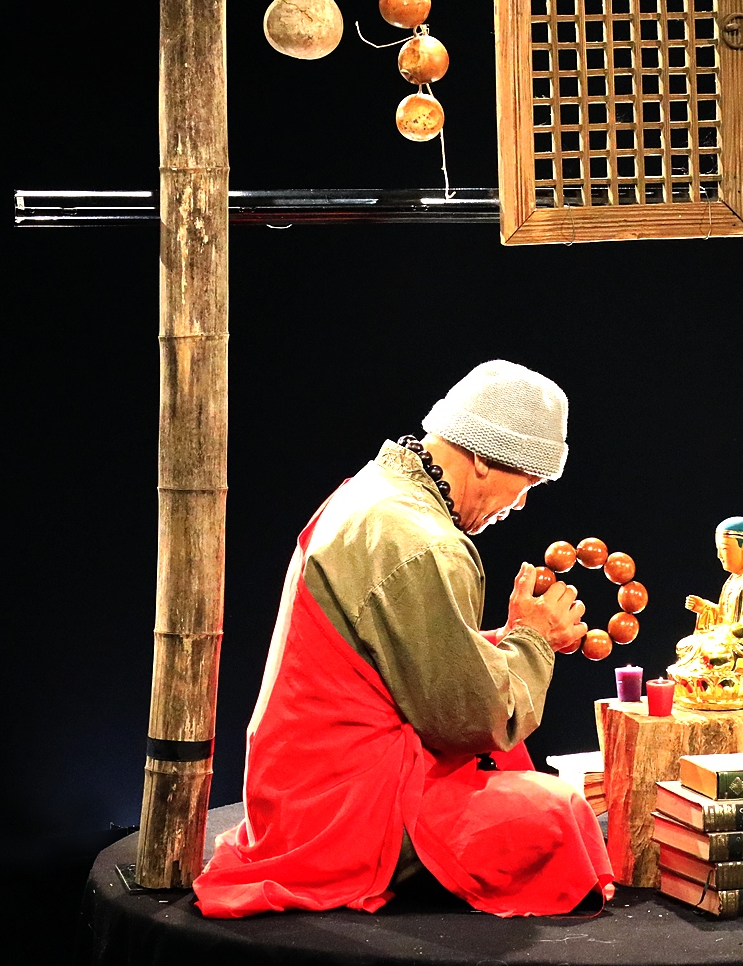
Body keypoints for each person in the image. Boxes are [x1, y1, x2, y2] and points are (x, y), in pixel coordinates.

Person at [192, 360, 614, 918]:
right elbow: (470, 723)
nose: (521, 503)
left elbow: (396, 658)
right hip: (339, 808)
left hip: (294, 784)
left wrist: (510, 639)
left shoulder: (373, 490)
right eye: (527, 483)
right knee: (561, 813)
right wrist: (532, 642)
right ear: (484, 457)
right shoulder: (424, 541)